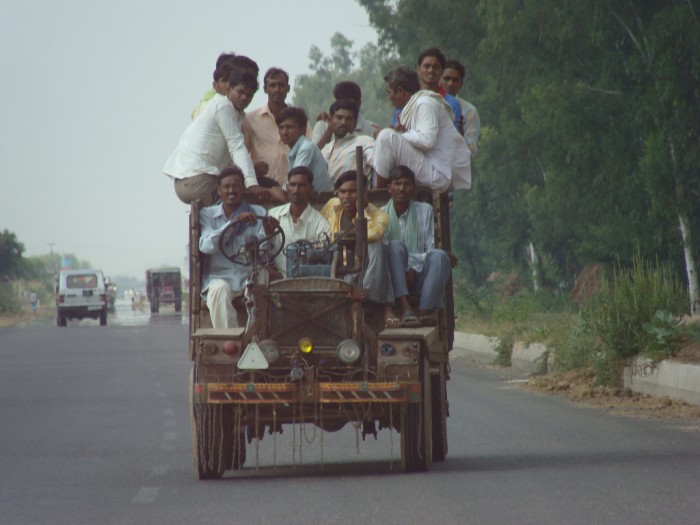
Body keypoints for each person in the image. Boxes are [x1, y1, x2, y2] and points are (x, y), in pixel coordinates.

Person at [163, 68, 268, 206]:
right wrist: (252, 184)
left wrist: (252, 174)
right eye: (240, 92)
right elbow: (237, 146)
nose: (244, 98)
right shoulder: (223, 105)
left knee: (239, 190)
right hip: (195, 180)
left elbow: (230, 161)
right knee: (242, 197)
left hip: (192, 181)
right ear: (229, 88)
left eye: (249, 95)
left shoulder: (236, 114)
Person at [198, 167, 277, 329]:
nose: (231, 190)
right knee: (219, 291)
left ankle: (255, 336)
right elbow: (206, 246)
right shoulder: (208, 214)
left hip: (249, 275)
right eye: (227, 187)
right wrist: (232, 224)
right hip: (220, 277)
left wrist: (268, 233)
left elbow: (265, 253)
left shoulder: (259, 212)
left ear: (242, 189)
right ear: (219, 191)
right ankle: (230, 341)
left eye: (236, 186)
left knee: (261, 284)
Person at [373, 65, 471, 192]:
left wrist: (399, 135)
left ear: (401, 91)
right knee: (373, 149)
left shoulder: (425, 103)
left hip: (439, 174)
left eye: (390, 92)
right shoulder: (413, 107)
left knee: (385, 136)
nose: (389, 98)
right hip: (430, 167)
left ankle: (379, 195)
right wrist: (403, 133)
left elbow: (427, 140)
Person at [321, 170, 398, 327]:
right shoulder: (332, 206)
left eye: (352, 192)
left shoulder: (379, 215)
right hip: (337, 269)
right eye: (342, 192)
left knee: (378, 247)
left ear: (364, 192)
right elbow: (320, 229)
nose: (346, 197)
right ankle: (386, 306)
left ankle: (369, 299)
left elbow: (372, 235)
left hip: (364, 272)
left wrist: (361, 210)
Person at [382, 165, 457, 326]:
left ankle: (424, 312)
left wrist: (414, 269)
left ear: (413, 188)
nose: (402, 188)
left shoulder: (426, 211)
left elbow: (430, 250)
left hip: (420, 278)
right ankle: (405, 306)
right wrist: (409, 268)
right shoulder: (380, 216)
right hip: (393, 281)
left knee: (439, 256)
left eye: (407, 184)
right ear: (389, 188)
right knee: (394, 247)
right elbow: (386, 253)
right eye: (397, 183)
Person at [242, 67, 311, 189]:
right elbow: (242, 155)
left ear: (288, 88)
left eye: (281, 85)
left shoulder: (300, 119)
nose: (277, 90)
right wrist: (253, 170)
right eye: (272, 85)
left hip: (293, 189)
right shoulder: (250, 119)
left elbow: (311, 147)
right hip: (262, 188)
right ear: (265, 89)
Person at [268, 166, 331, 278]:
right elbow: (262, 252)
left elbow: (325, 260)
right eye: (292, 185)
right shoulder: (272, 216)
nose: (296, 190)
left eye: (301, 186)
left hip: (309, 283)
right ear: (287, 187)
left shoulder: (321, 224)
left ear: (311, 188)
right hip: (276, 280)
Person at [276, 107, 333, 192]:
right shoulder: (296, 149)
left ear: (302, 129)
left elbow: (295, 181)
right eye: (281, 127)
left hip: (321, 201)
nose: (284, 132)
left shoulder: (306, 148)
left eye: (289, 127)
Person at [320, 99, 375, 185]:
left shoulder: (364, 141)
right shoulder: (325, 150)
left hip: (356, 196)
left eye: (349, 119)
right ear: (330, 121)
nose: (344, 123)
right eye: (339, 117)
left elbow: (379, 165)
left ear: (355, 123)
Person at [312, 81, 381, 148]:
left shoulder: (372, 130)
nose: (344, 106)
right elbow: (313, 155)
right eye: (340, 102)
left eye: (349, 103)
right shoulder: (322, 126)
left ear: (359, 103)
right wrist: (329, 130)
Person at [191, 53, 259, 120]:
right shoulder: (215, 104)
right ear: (215, 84)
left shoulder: (240, 114)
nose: (228, 85)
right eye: (225, 80)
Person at [441, 59, 481, 156]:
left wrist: (460, 138)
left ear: (461, 84)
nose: (450, 83)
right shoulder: (427, 103)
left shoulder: (469, 111)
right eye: (446, 78)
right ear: (439, 79)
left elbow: (472, 150)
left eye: (455, 80)